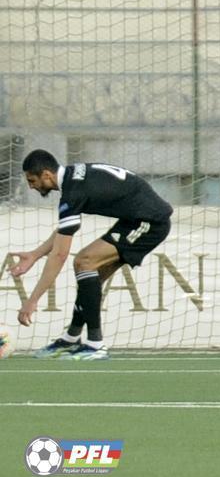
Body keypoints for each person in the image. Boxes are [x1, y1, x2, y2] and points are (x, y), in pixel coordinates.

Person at [13, 149, 173, 360]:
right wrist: (35, 254)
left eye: (32, 181)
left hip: (150, 222)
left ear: (46, 175)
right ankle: (71, 338)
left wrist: (32, 301)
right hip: (133, 220)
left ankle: (96, 345)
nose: (31, 187)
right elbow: (64, 230)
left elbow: (59, 255)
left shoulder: (72, 193)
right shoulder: (73, 179)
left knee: (84, 261)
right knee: (90, 277)